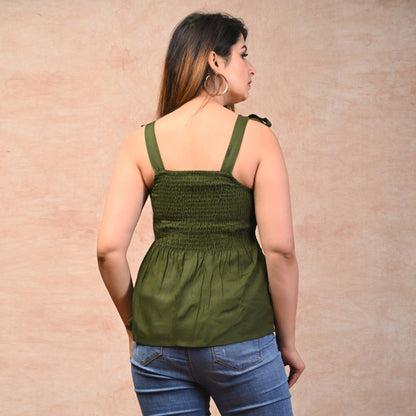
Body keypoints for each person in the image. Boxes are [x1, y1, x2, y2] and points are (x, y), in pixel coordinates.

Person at [97, 11, 304, 416]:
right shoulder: (257, 139)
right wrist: (288, 342)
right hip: (240, 335)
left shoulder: (141, 142)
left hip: (157, 344)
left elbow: (108, 251)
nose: (251, 68)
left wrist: (135, 327)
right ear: (215, 61)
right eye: (243, 54)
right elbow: (280, 251)